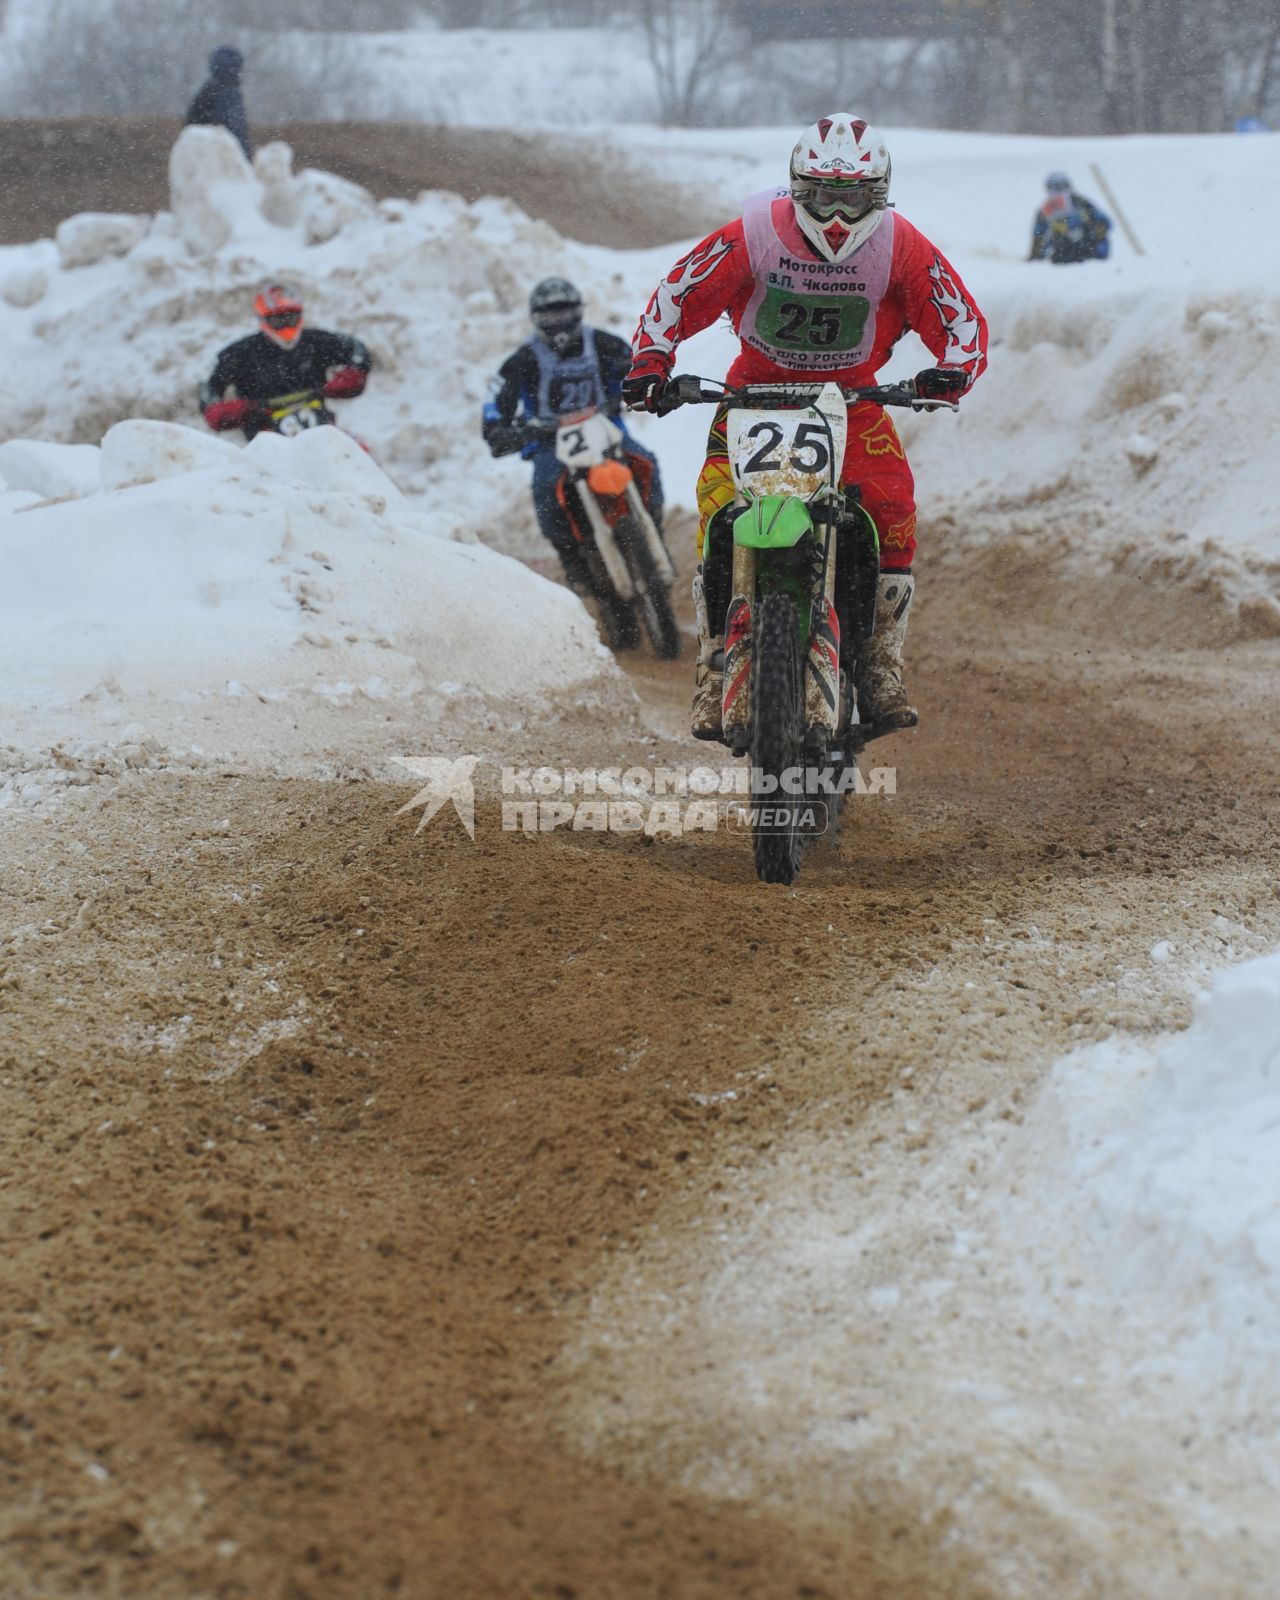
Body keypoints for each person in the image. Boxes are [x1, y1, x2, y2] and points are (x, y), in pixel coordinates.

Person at [624, 114, 988, 740]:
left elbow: (961, 320)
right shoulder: (755, 234)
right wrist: (652, 363)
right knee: (718, 513)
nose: (838, 213)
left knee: (894, 507)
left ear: (881, 193)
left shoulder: (901, 245)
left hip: (854, 401)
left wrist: (952, 371)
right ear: (797, 189)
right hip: (752, 398)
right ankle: (714, 668)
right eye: (823, 195)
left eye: (854, 196)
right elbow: (678, 294)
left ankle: (879, 662)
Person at [482, 277, 664, 598]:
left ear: (579, 311)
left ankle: (653, 528)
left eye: (565, 313)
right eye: (550, 316)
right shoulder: (520, 362)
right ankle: (574, 565)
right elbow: (495, 403)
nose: (559, 322)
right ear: (536, 318)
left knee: (645, 462)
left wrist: (644, 387)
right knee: (546, 490)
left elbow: (635, 370)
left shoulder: (607, 345)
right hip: (551, 441)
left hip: (606, 429)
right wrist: (499, 429)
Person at [200, 285, 372, 441]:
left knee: (363, 455)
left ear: (300, 315)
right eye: (278, 320)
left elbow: (358, 350)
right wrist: (222, 411)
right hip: (266, 444)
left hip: (324, 435)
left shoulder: (316, 342)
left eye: (290, 318)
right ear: (263, 320)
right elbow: (208, 389)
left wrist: (354, 374)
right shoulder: (239, 354)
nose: (285, 325)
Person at [1028, 172, 1111, 264]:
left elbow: (1104, 223)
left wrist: (1092, 230)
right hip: (1062, 254)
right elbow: (1038, 235)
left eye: (1061, 187)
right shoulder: (1045, 211)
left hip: (1090, 250)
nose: (1058, 192)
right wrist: (1036, 255)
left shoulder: (1081, 203)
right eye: (1054, 187)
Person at [186, 45, 252, 160]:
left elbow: (191, 126)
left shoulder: (207, 89)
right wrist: (245, 159)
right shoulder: (227, 92)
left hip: (202, 157)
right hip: (222, 159)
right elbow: (234, 129)